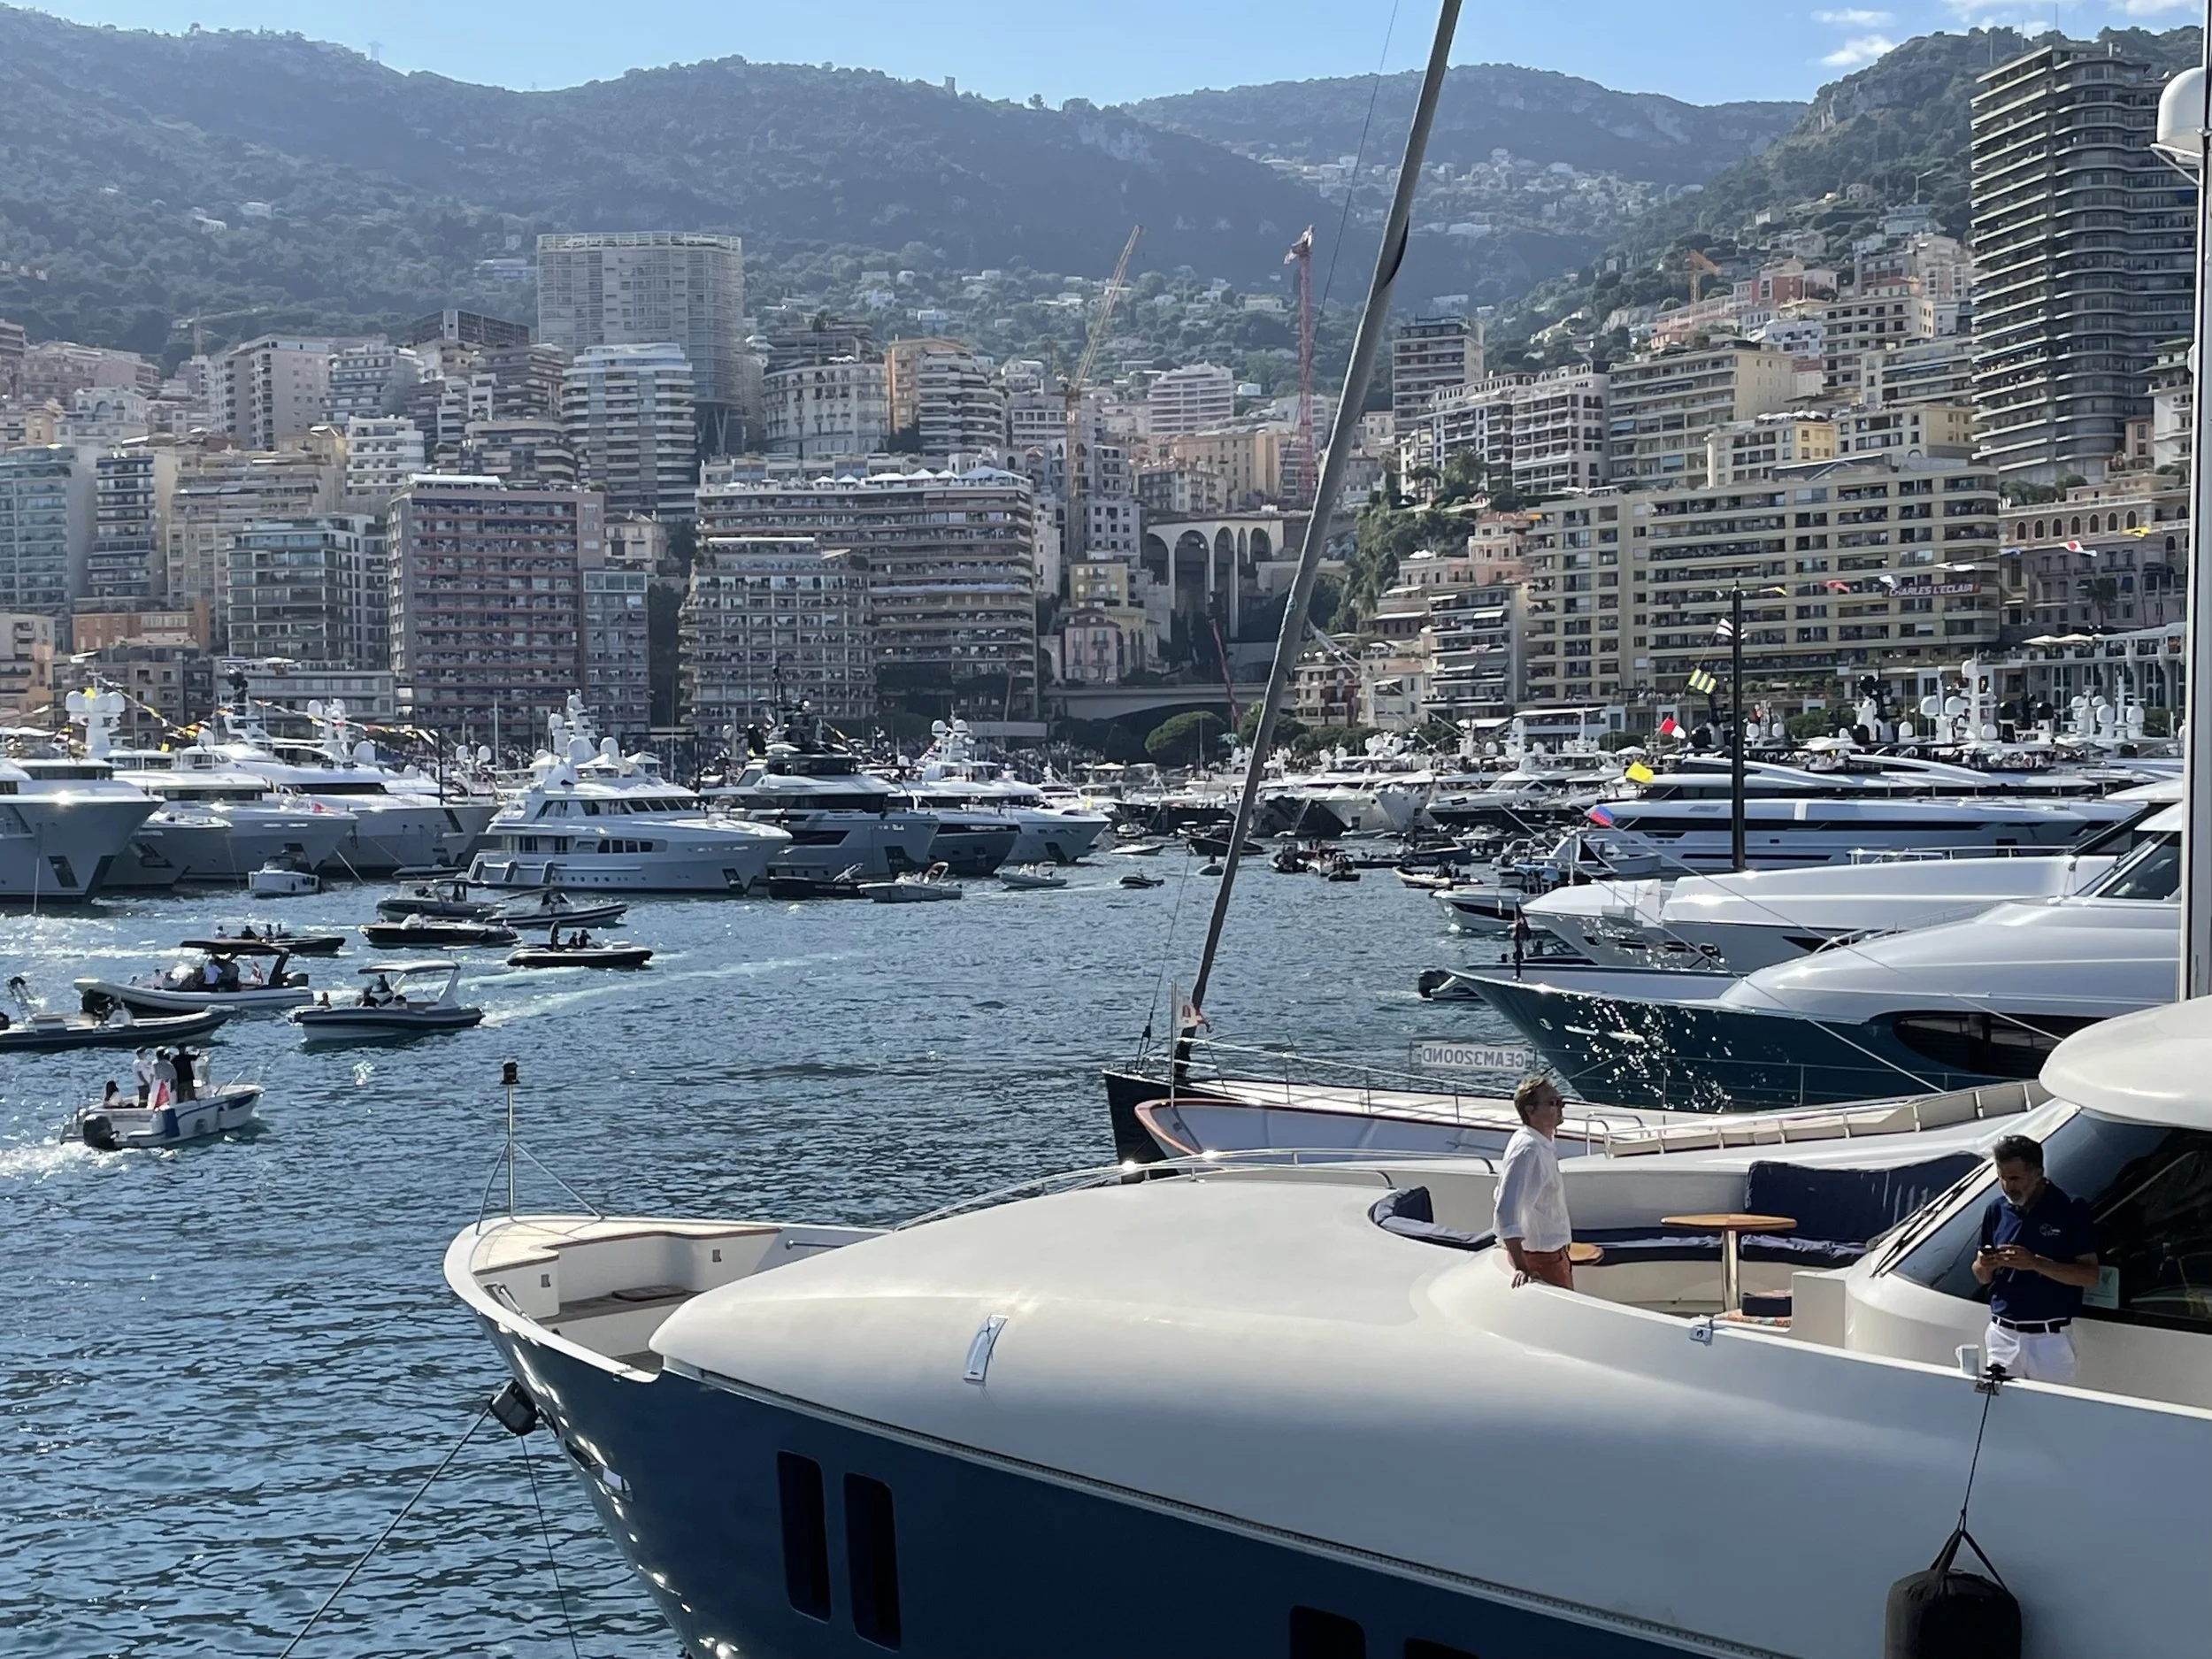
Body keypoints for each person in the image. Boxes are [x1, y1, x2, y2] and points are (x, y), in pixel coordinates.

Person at [1971, 1133, 2100, 1385]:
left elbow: (2090, 1276)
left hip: (2049, 1339)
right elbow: (1980, 1275)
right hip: (2002, 1335)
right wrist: (1985, 1265)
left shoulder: (2071, 1209)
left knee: (2053, 1416)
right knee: (2003, 1413)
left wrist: (2035, 1263)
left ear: (2038, 1174)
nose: (2008, 1186)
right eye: (2002, 1178)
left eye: (2015, 1178)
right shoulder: (1996, 1210)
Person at [1494, 1074, 1575, 1289]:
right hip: (1542, 1260)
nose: (1560, 1107)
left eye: (1561, 1102)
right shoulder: (1528, 1150)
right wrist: (1522, 1266)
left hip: (1555, 1255)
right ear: (1530, 1111)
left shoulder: (1541, 1141)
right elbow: (1505, 1211)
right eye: (1552, 1103)